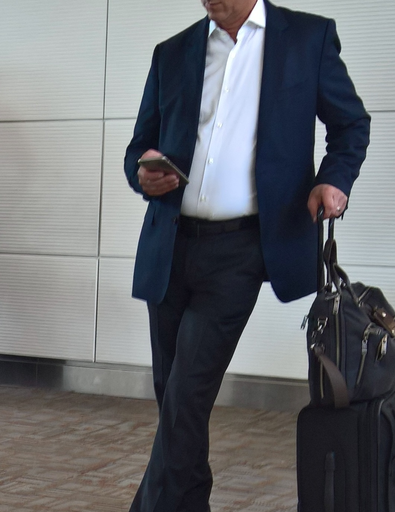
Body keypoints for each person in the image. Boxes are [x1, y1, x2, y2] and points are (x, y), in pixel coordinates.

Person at [124, 0, 370, 510]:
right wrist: (143, 173)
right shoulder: (172, 52)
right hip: (169, 246)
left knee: (187, 394)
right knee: (173, 395)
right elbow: (138, 148)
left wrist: (333, 180)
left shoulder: (307, 38)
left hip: (242, 250)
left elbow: (351, 125)